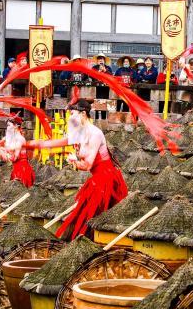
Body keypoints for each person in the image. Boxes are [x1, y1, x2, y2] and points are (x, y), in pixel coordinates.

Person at [26, 99, 127, 238]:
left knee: (93, 216)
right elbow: (50, 143)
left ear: (83, 114)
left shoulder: (95, 133)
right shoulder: (79, 133)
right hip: (97, 178)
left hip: (106, 179)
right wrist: (26, 144)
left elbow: (87, 165)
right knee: (86, 216)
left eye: (72, 113)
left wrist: (74, 160)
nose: (70, 117)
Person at [0, 116, 34, 188]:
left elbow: (14, 158)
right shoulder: (14, 139)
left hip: (22, 169)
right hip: (17, 168)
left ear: (15, 126)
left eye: (9, 126)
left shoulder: (19, 139)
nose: (7, 128)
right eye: (7, 126)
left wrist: (5, 154)